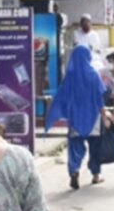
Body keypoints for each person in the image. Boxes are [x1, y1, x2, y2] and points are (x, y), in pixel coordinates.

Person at [46, 45, 109, 189]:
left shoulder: (70, 76)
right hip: (93, 117)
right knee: (95, 147)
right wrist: (104, 117)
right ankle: (95, 175)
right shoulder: (93, 74)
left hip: (75, 118)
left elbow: (63, 97)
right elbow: (100, 99)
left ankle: (75, 170)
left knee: (75, 147)